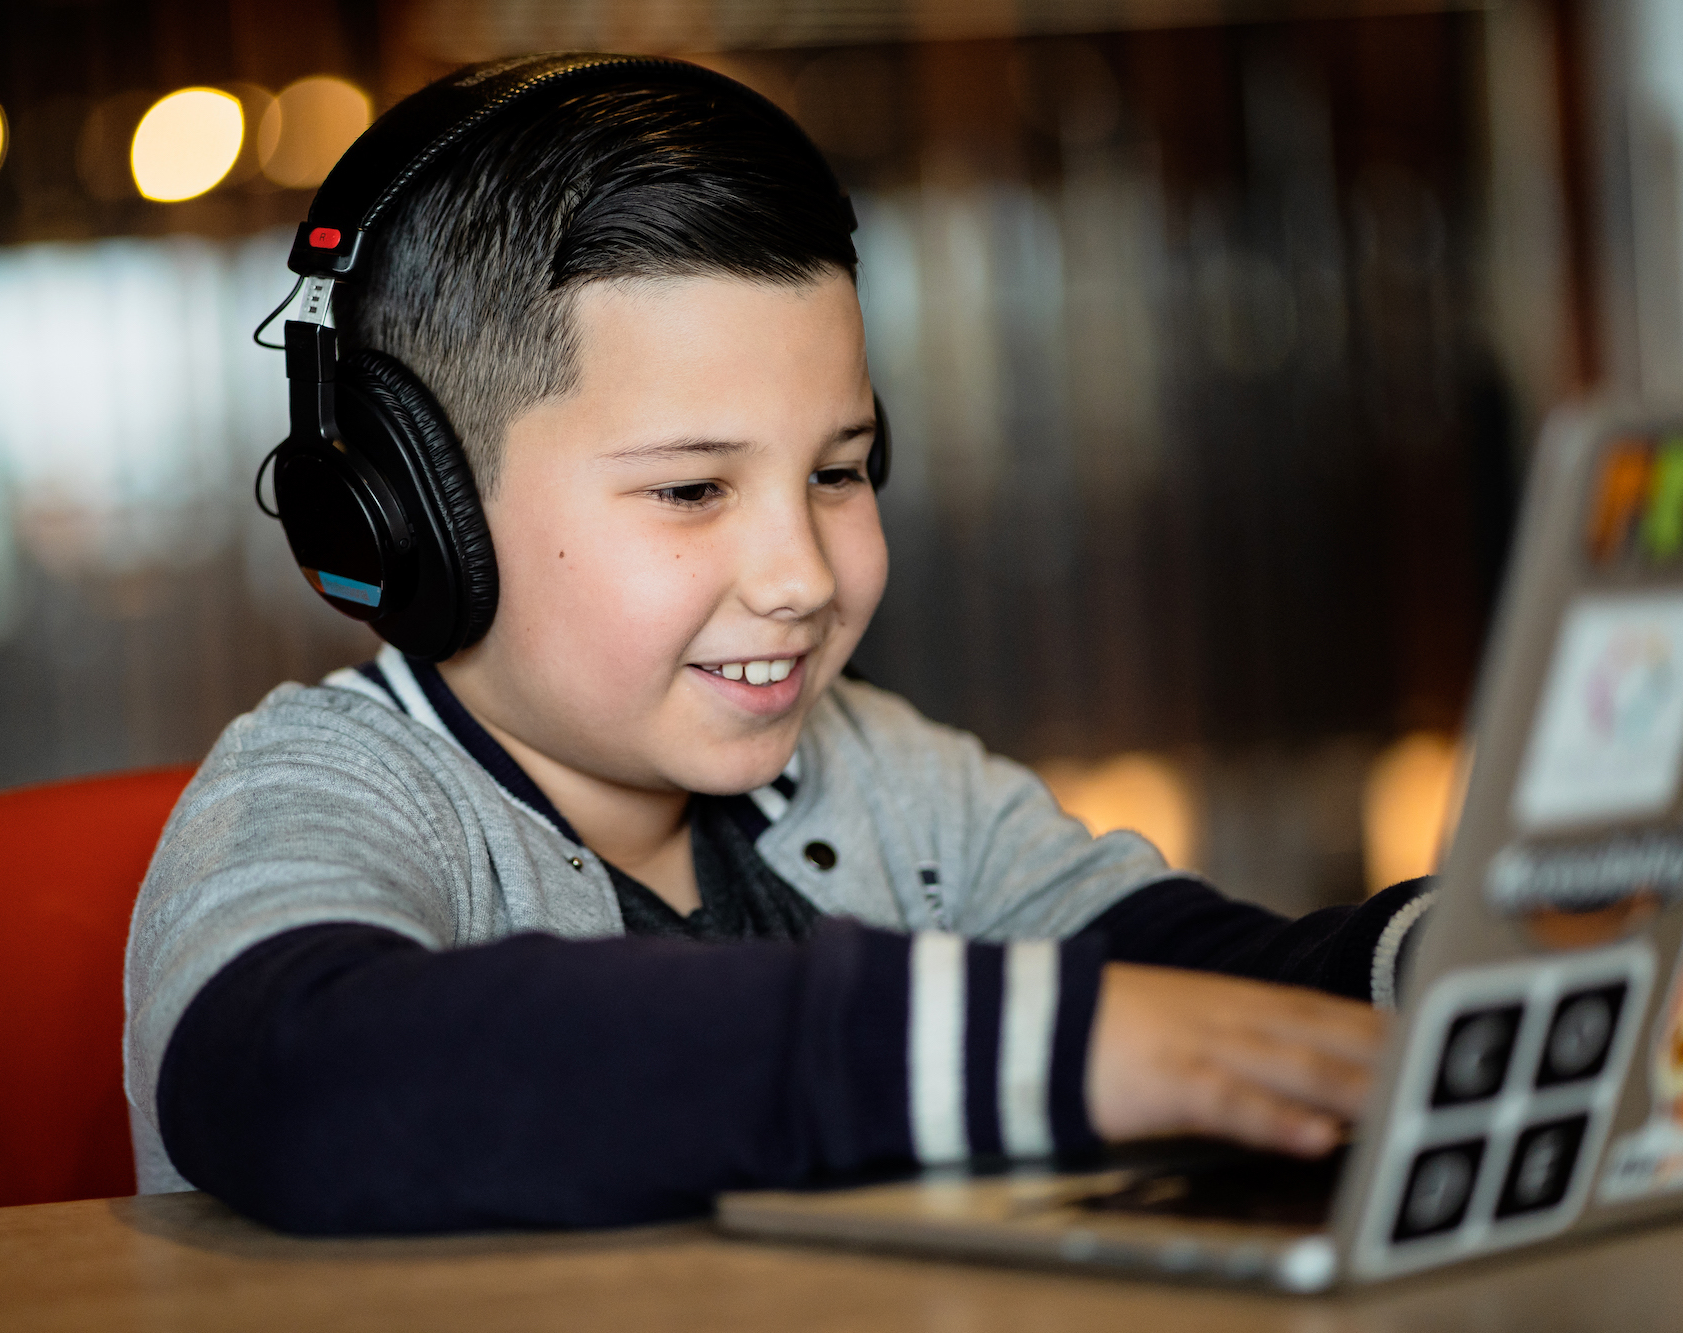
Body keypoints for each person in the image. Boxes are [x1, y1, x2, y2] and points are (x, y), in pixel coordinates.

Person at [125, 60, 1432, 1235]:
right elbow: (305, 1079)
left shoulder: (881, 772)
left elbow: (1177, 984)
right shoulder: (317, 789)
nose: (804, 575)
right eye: (694, 490)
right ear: (415, 516)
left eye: (842, 471)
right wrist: (983, 1042)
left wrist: (1449, 962)